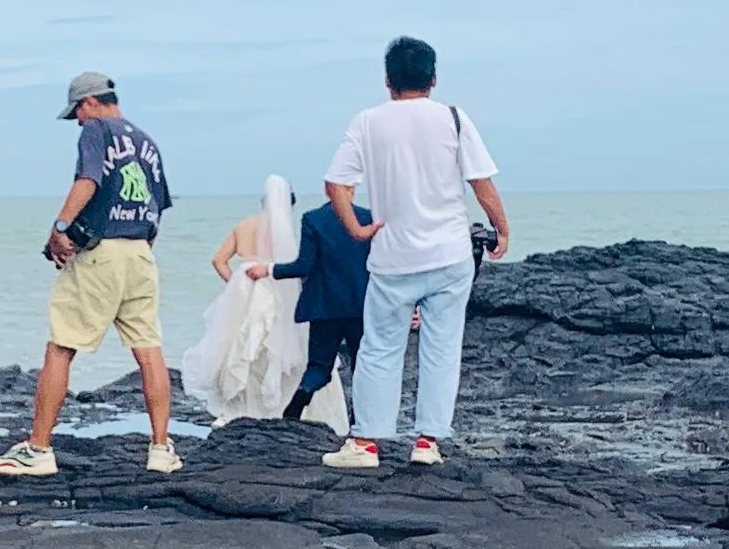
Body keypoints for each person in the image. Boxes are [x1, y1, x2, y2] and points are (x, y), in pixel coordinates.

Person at [317, 35, 504, 470]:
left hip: (393, 257)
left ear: (388, 80)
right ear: (433, 78)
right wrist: (502, 227)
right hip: (449, 253)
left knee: (380, 348)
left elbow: (335, 184)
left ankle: (365, 443)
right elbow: (481, 181)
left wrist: (357, 228)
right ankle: (427, 442)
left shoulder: (368, 121)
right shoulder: (453, 119)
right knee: (442, 347)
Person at [0, 72, 183, 478]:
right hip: (141, 253)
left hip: (102, 253)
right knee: (149, 348)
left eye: (77, 111)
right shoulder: (148, 141)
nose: (78, 121)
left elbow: (88, 180)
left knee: (62, 346)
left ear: (90, 102)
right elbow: (157, 205)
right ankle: (161, 449)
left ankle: (39, 449)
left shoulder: (97, 131)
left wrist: (60, 228)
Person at [177, 176, 307, 425]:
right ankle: (272, 405)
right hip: (272, 290)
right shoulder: (282, 232)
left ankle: (238, 405)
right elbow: (289, 268)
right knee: (269, 348)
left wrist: (236, 284)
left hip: (244, 291)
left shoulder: (244, 225)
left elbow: (218, 260)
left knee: (238, 346)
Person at [269, 187, 373, 429]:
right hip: (362, 305)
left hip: (324, 305)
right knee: (364, 365)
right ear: (353, 191)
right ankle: (360, 420)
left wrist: (271, 269)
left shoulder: (312, 219)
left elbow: (304, 266)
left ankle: (295, 407)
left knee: (319, 367)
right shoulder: (368, 218)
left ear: (329, 192)